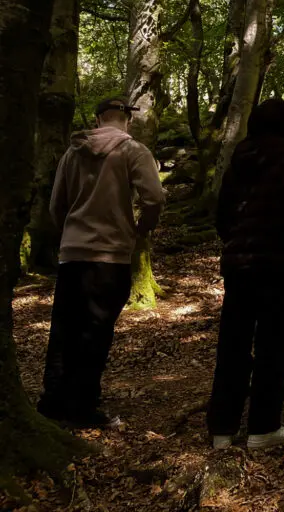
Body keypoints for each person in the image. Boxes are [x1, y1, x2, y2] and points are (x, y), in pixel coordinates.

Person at [38, 97, 165, 429]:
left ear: (97, 120)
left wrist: (71, 231)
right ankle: (82, 406)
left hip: (73, 254)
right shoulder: (133, 151)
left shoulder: (73, 152)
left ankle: (53, 400)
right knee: (96, 331)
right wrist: (140, 230)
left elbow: (56, 205)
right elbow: (154, 198)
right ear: (128, 120)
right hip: (110, 256)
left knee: (64, 329)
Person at [208, 99, 284, 450]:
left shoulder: (239, 161)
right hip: (277, 265)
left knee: (233, 344)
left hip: (239, 265)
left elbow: (222, 214)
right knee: (272, 344)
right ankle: (263, 426)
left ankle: (222, 429)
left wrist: (236, 243)